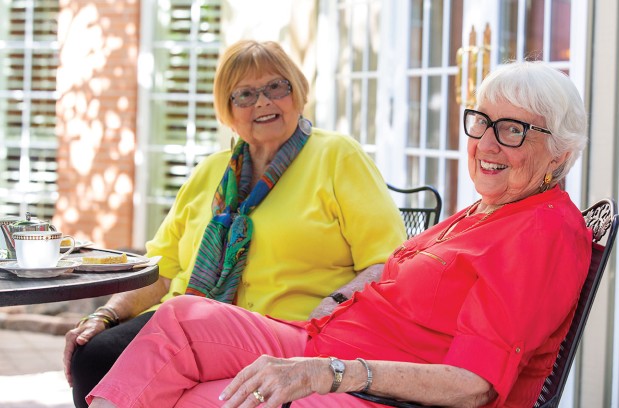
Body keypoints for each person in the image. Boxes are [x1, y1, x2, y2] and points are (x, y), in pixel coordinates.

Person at [86, 60, 592, 408]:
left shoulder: (540, 232)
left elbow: (474, 385)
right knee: (181, 318)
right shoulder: (490, 211)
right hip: (326, 345)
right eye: (482, 122)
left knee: (200, 396)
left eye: (513, 130)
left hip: (377, 392)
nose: (486, 143)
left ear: (561, 153)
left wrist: (334, 372)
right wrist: (345, 299)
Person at [64, 40, 406, 407]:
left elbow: (388, 261)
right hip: (187, 322)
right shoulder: (210, 171)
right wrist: (106, 314)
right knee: (93, 355)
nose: (263, 102)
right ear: (227, 110)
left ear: (299, 92)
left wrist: (335, 302)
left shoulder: (337, 156)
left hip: (288, 330)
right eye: (245, 94)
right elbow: (160, 269)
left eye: (276, 86)